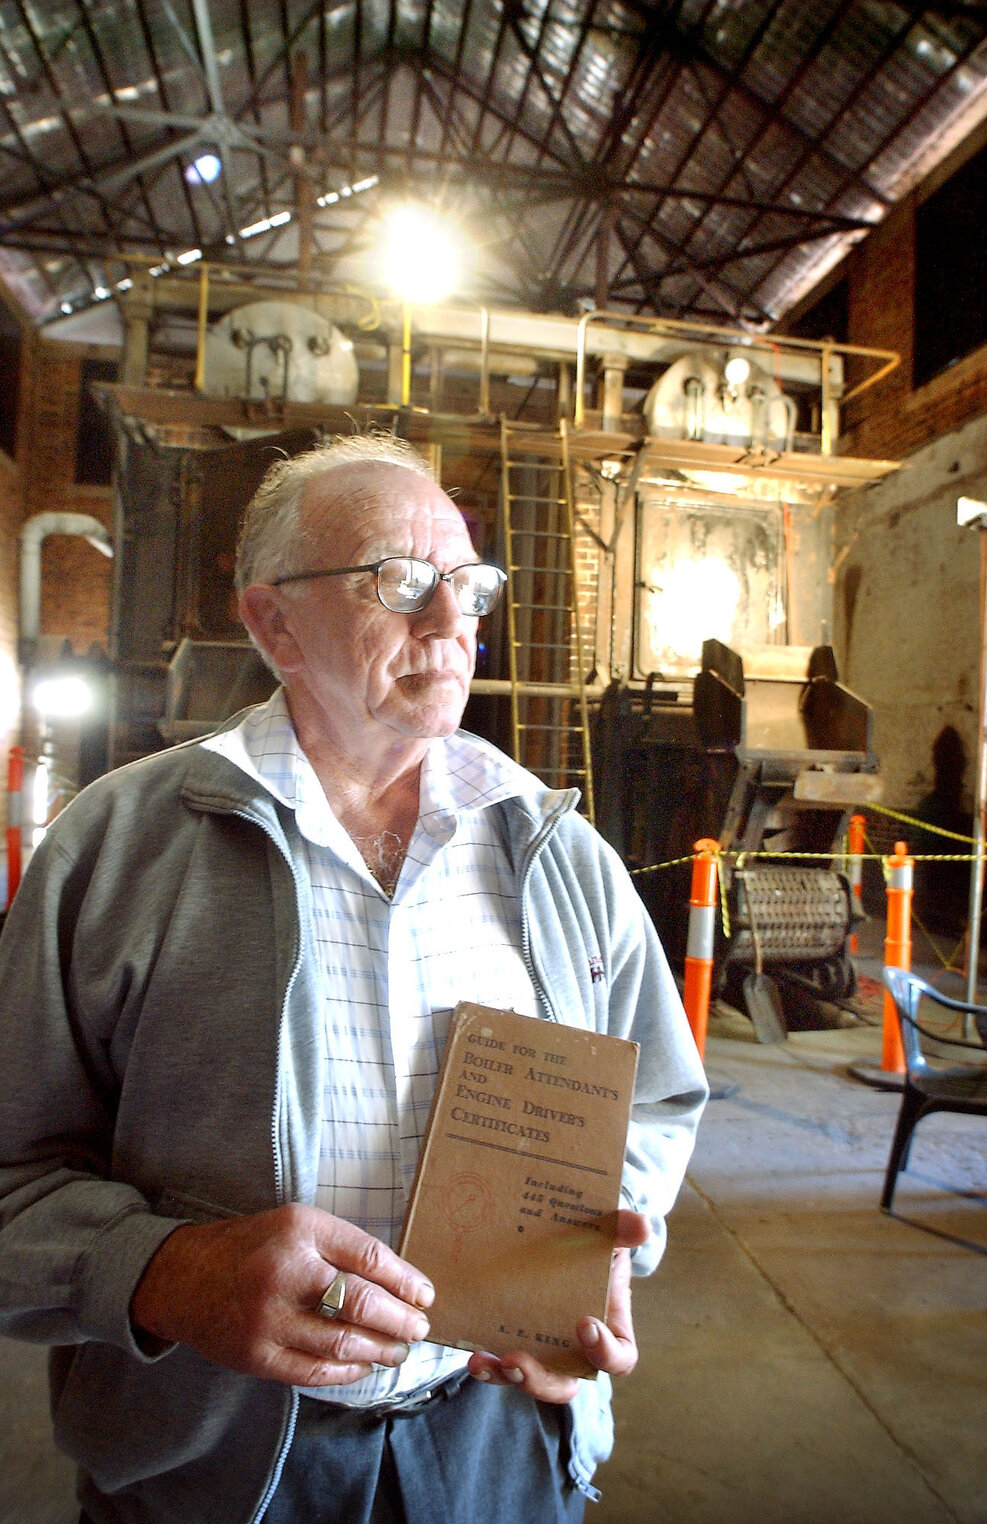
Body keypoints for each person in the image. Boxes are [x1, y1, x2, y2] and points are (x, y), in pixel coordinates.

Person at [0, 432, 708, 1524]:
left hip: (500, 1442)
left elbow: (655, 1104)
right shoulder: (117, 848)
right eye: (402, 581)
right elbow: (13, 1177)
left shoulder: (558, 853)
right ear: (273, 624)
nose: (452, 619)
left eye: (469, 584)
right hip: (212, 1456)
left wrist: (602, 1241)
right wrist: (164, 1270)